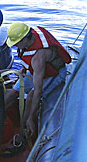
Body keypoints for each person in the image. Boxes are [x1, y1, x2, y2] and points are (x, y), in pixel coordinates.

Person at [4, 21, 71, 155]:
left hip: (53, 74)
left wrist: (31, 117)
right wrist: (24, 68)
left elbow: (38, 90)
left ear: (25, 39)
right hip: (33, 70)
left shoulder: (38, 57)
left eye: (16, 43)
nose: (15, 46)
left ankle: (23, 136)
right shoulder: (30, 38)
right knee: (12, 93)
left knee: (30, 98)